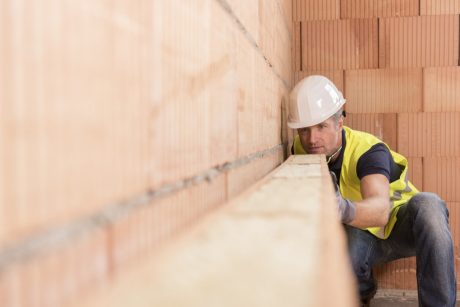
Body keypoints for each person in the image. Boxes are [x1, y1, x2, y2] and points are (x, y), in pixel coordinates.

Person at [288, 75, 456, 306]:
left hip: (399, 227)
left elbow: (379, 211)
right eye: (304, 130)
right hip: (360, 230)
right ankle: (362, 290)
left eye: (321, 126)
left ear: (340, 123)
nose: (312, 139)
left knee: (429, 204)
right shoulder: (300, 147)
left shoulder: (368, 151)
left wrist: (338, 207)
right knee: (343, 266)